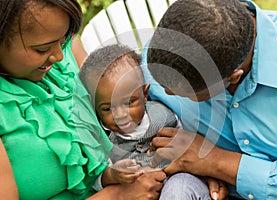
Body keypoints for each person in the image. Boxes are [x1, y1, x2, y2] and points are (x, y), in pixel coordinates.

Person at [0, 0, 166, 199]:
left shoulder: (60, 48)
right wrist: (117, 196)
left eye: (64, 40)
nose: (60, 56)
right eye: (42, 49)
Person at [141, 0, 277, 199]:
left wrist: (218, 163)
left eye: (184, 94)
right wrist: (192, 167)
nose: (166, 92)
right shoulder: (163, 59)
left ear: (233, 78)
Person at [79, 44, 229, 200]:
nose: (120, 115)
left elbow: (188, 146)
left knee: (177, 192)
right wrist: (112, 175)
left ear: (145, 93)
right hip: (137, 192)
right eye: (107, 108)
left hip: (179, 177)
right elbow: (95, 181)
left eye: (129, 102)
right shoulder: (103, 140)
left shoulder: (163, 115)